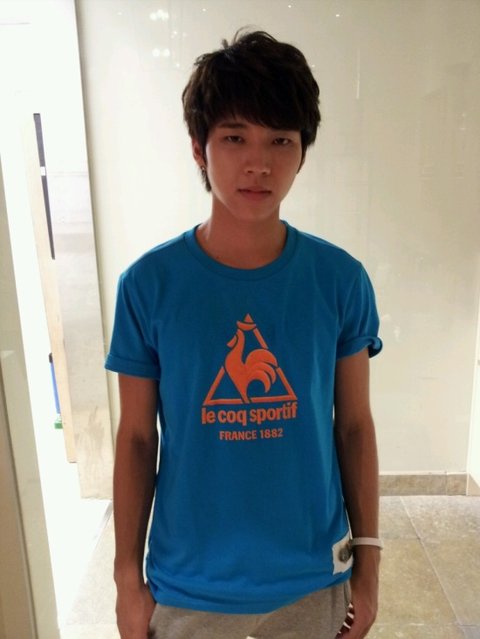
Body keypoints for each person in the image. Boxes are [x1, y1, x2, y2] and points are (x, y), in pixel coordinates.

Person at [105, 29, 383, 639]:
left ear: (302, 151)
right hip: (188, 587)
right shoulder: (148, 285)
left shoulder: (340, 280)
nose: (259, 163)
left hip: (312, 580)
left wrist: (368, 567)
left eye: (280, 139)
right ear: (199, 148)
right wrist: (127, 578)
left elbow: (354, 426)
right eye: (234, 137)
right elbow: (136, 438)